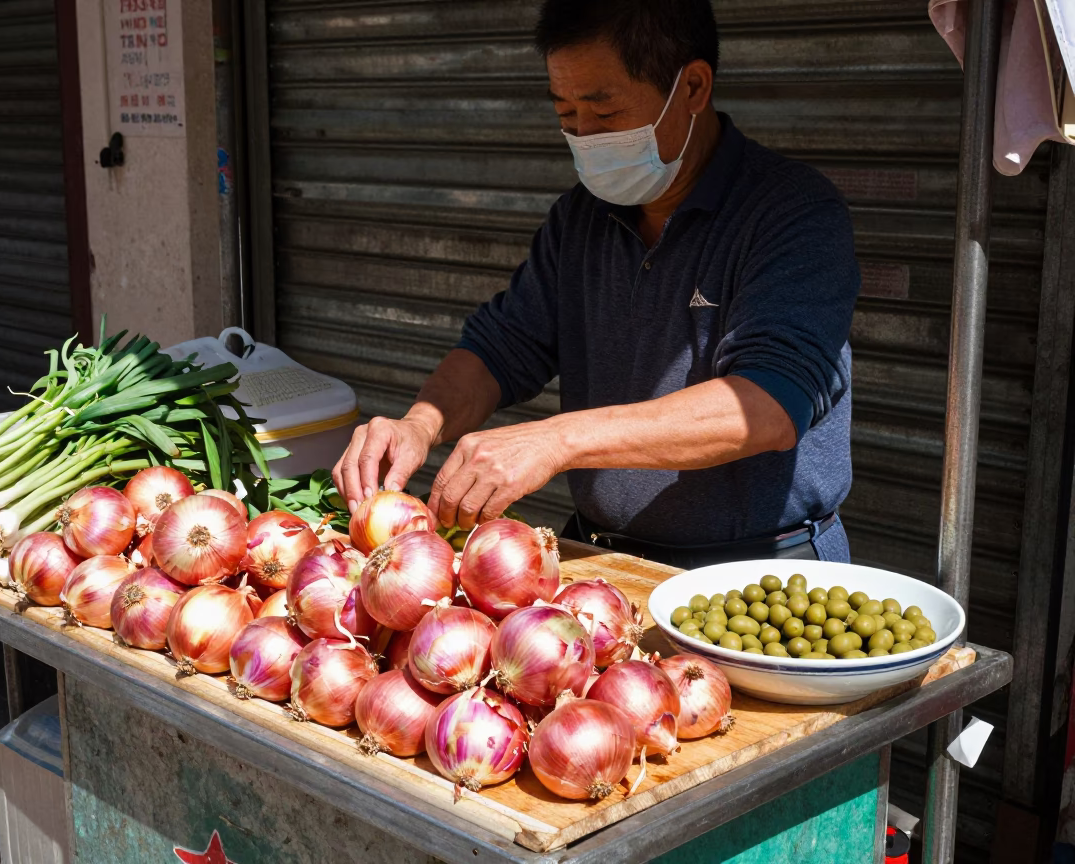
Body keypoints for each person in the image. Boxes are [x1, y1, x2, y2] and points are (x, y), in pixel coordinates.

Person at [333, 0, 860, 568]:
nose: (583, 136)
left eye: (604, 114)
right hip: (600, 557)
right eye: (566, 115)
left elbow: (766, 406)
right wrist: (421, 422)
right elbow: (503, 346)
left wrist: (556, 441)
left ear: (693, 87)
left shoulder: (792, 212)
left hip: (758, 572)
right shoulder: (581, 217)